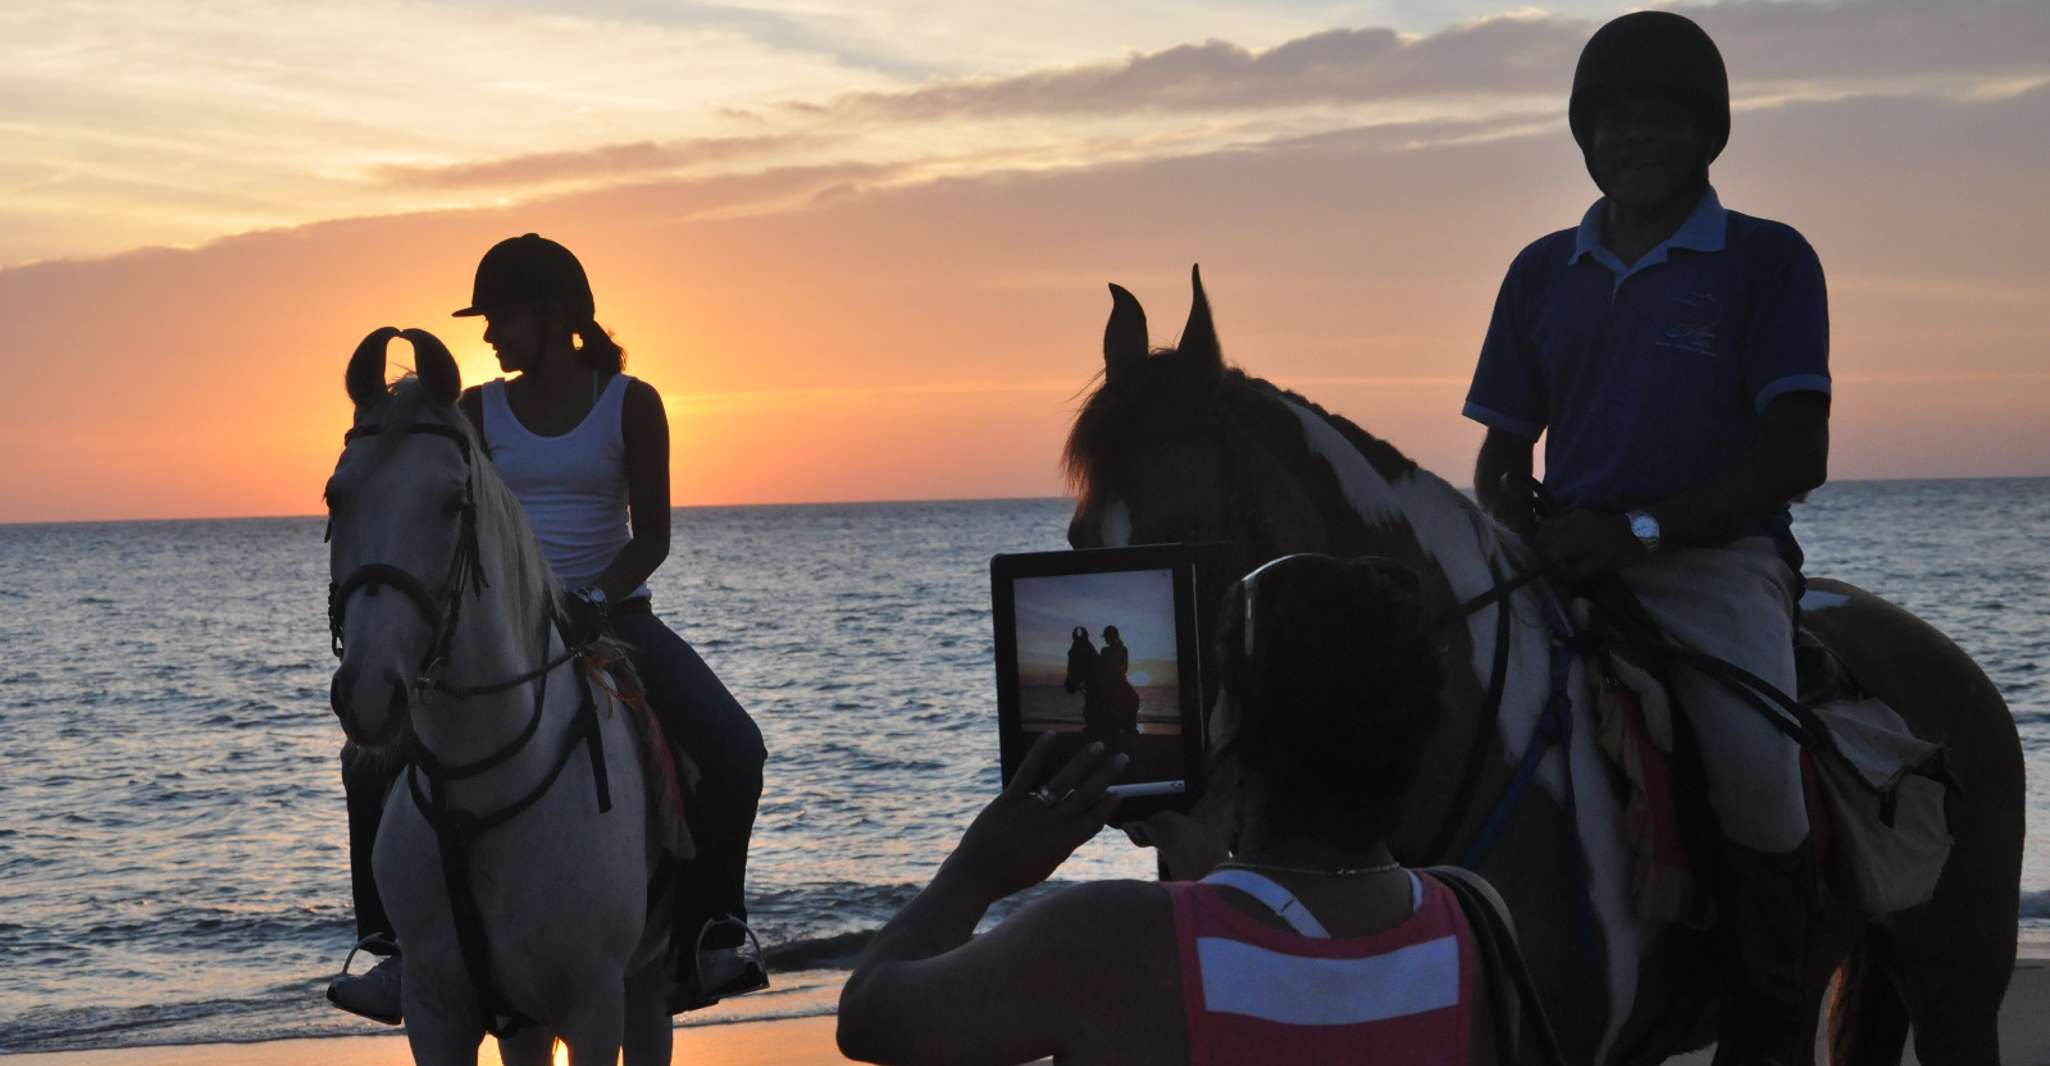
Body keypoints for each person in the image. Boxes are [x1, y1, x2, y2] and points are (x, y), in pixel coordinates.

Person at [1462, 12, 1831, 1063]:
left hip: (1710, 568)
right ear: (1584, 134)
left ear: (1706, 133)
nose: (1634, 139)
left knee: (1761, 775)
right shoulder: (1541, 271)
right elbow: (1501, 449)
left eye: (1660, 120)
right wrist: (1513, 523)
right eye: (1613, 121)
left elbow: (1794, 452)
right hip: (1565, 558)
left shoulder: (1763, 260)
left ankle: (1769, 1023)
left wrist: (1637, 532)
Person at [329, 233, 769, 1021]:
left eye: (499, 316)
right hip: (504, 622)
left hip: (615, 619)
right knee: (367, 763)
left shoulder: (631, 402)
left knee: (735, 748)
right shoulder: (473, 411)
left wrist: (596, 599)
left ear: (554, 315)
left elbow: (654, 537)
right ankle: (390, 947)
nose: (489, 334)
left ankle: (711, 930)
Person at [838, 555, 1516, 1065]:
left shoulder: (1108, 938)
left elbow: (871, 1015)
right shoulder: (1477, 922)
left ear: (1236, 727)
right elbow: (1318, 987)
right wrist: (1212, 872)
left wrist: (975, 873)